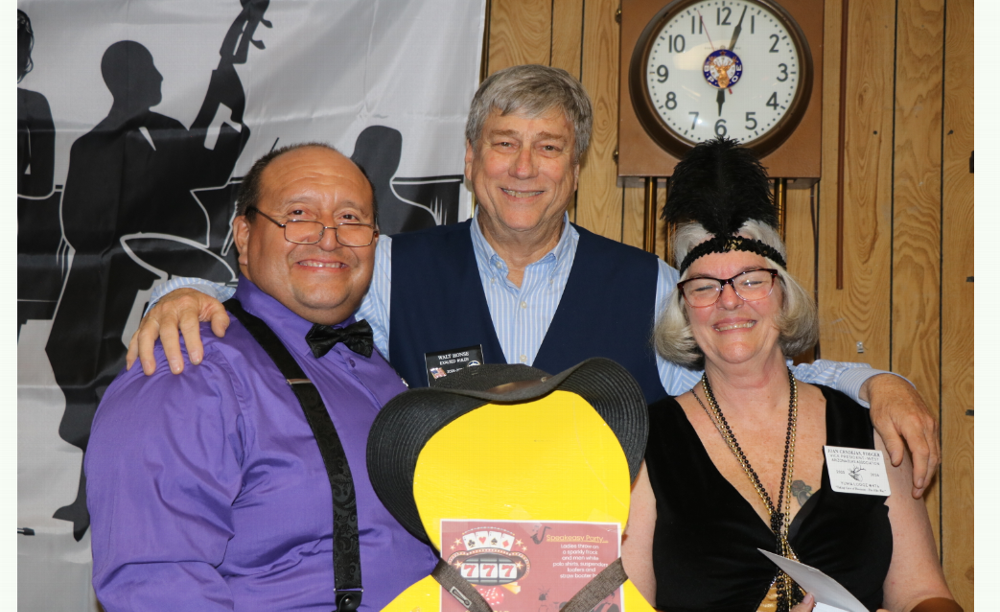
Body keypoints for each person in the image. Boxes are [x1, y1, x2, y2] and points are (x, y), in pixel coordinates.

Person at [129, 64, 939, 498]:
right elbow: (283, 318)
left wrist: (879, 382)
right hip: (429, 569)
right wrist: (182, 296)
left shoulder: (652, 284)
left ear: (576, 169)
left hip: (604, 577)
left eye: (548, 147)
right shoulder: (389, 267)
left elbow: (759, 377)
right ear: (474, 163)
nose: (524, 168)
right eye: (504, 145)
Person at [85, 144, 438, 611]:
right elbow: (155, 583)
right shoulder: (186, 368)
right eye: (299, 213)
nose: (328, 238)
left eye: (351, 218)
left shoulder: (377, 366)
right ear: (244, 236)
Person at [621, 138, 958, 612]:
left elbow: (926, 594)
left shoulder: (870, 429)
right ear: (684, 309)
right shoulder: (645, 445)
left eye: (752, 280)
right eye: (704, 286)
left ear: (784, 295)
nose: (730, 300)